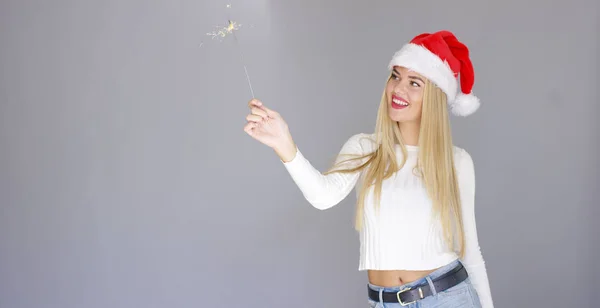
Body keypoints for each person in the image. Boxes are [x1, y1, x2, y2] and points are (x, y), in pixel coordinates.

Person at [243, 30, 494, 308]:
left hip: (449, 298)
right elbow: (323, 196)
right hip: (384, 302)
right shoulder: (365, 147)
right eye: (396, 76)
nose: (399, 89)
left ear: (435, 97)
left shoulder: (456, 161)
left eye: (414, 83)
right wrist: (283, 142)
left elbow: (471, 252)